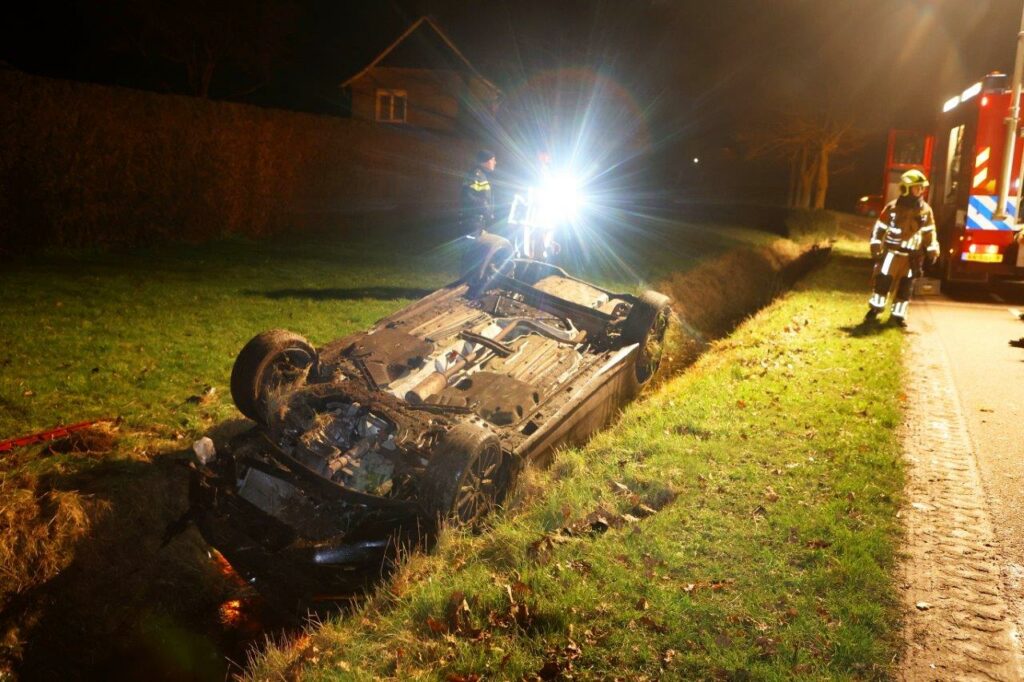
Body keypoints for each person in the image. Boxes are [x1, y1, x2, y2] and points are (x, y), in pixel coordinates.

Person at [864, 169, 940, 327]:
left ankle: (898, 316)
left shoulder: (926, 210)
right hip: (891, 254)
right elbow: (880, 227)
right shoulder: (892, 208)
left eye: (921, 188)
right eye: (916, 187)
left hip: (912, 257)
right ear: (906, 188)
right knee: (883, 281)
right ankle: (875, 310)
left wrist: (932, 249)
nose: (920, 191)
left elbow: (929, 232)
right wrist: (875, 243)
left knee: (906, 287)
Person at [459, 149, 496, 237]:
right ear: (486, 161)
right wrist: (485, 209)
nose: (495, 162)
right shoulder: (476, 175)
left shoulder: (482, 175)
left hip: (478, 221)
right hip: (473, 223)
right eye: (493, 159)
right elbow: (468, 196)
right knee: (474, 247)